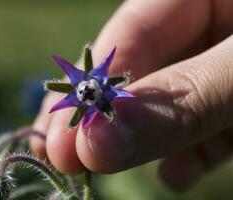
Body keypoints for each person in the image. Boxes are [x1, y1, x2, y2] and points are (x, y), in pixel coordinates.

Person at [30, 0, 233, 191]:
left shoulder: (105, 92)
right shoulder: (83, 100)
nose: (88, 92)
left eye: (89, 90)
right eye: (86, 92)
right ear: (78, 89)